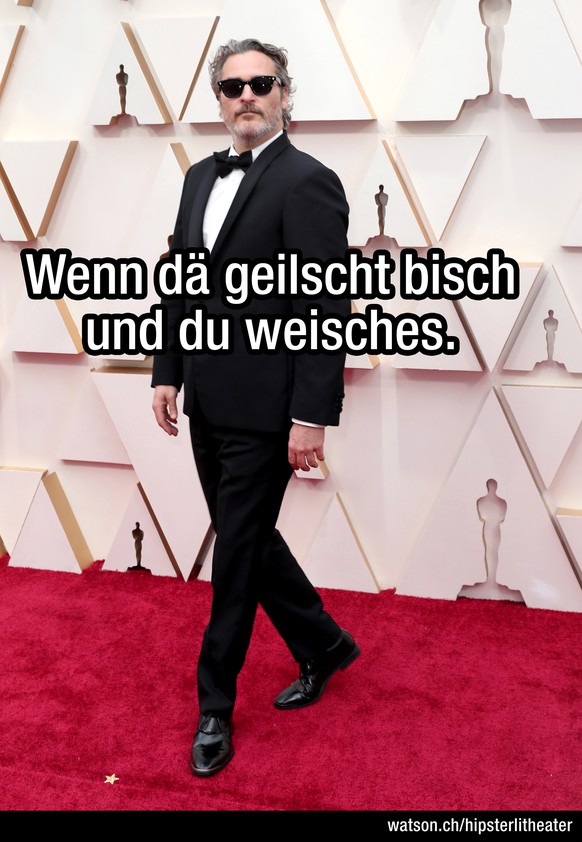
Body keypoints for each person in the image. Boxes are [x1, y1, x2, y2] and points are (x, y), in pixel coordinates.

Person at [152, 38, 359, 778]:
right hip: (207, 401)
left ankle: (214, 707)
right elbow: (181, 280)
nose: (247, 95)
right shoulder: (198, 178)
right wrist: (167, 371)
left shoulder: (309, 182)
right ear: (219, 99)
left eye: (261, 83)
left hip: (269, 412)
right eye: (233, 85)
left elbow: (325, 305)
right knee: (250, 539)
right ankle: (324, 644)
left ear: (284, 94)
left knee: (235, 556)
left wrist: (311, 417)